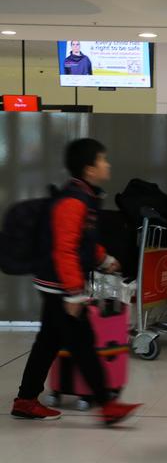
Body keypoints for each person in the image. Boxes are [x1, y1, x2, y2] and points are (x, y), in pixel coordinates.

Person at [12, 138, 141, 425]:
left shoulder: (84, 197)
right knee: (83, 342)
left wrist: (104, 259)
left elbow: (81, 242)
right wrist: (72, 293)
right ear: (89, 168)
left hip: (55, 283)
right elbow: (65, 248)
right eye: (102, 160)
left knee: (47, 342)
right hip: (60, 286)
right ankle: (108, 405)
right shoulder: (73, 201)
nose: (107, 164)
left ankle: (25, 400)